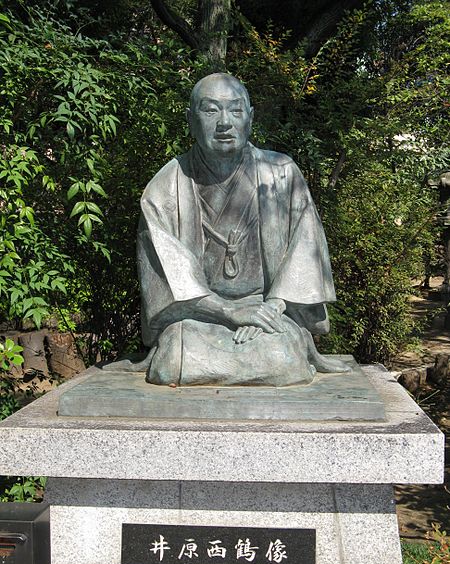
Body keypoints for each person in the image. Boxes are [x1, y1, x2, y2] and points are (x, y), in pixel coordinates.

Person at [110, 73, 349, 385]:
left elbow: (307, 251)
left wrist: (272, 309)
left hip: (268, 311)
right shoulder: (166, 186)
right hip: (199, 316)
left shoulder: (281, 174)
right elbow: (168, 278)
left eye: (235, 111)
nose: (224, 122)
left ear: (250, 118)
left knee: (285, 360)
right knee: (171, 364)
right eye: (210, 110)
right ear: (191, 119)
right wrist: (228, 312)